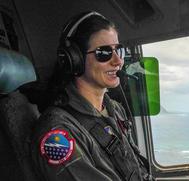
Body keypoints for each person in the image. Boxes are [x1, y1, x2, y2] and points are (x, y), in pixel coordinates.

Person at [31, 11, 151, 181]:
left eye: (119, 50)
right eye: (104, 53)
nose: (118, 61)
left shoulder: (115, 109)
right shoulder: (56, 135)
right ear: (75, 59)